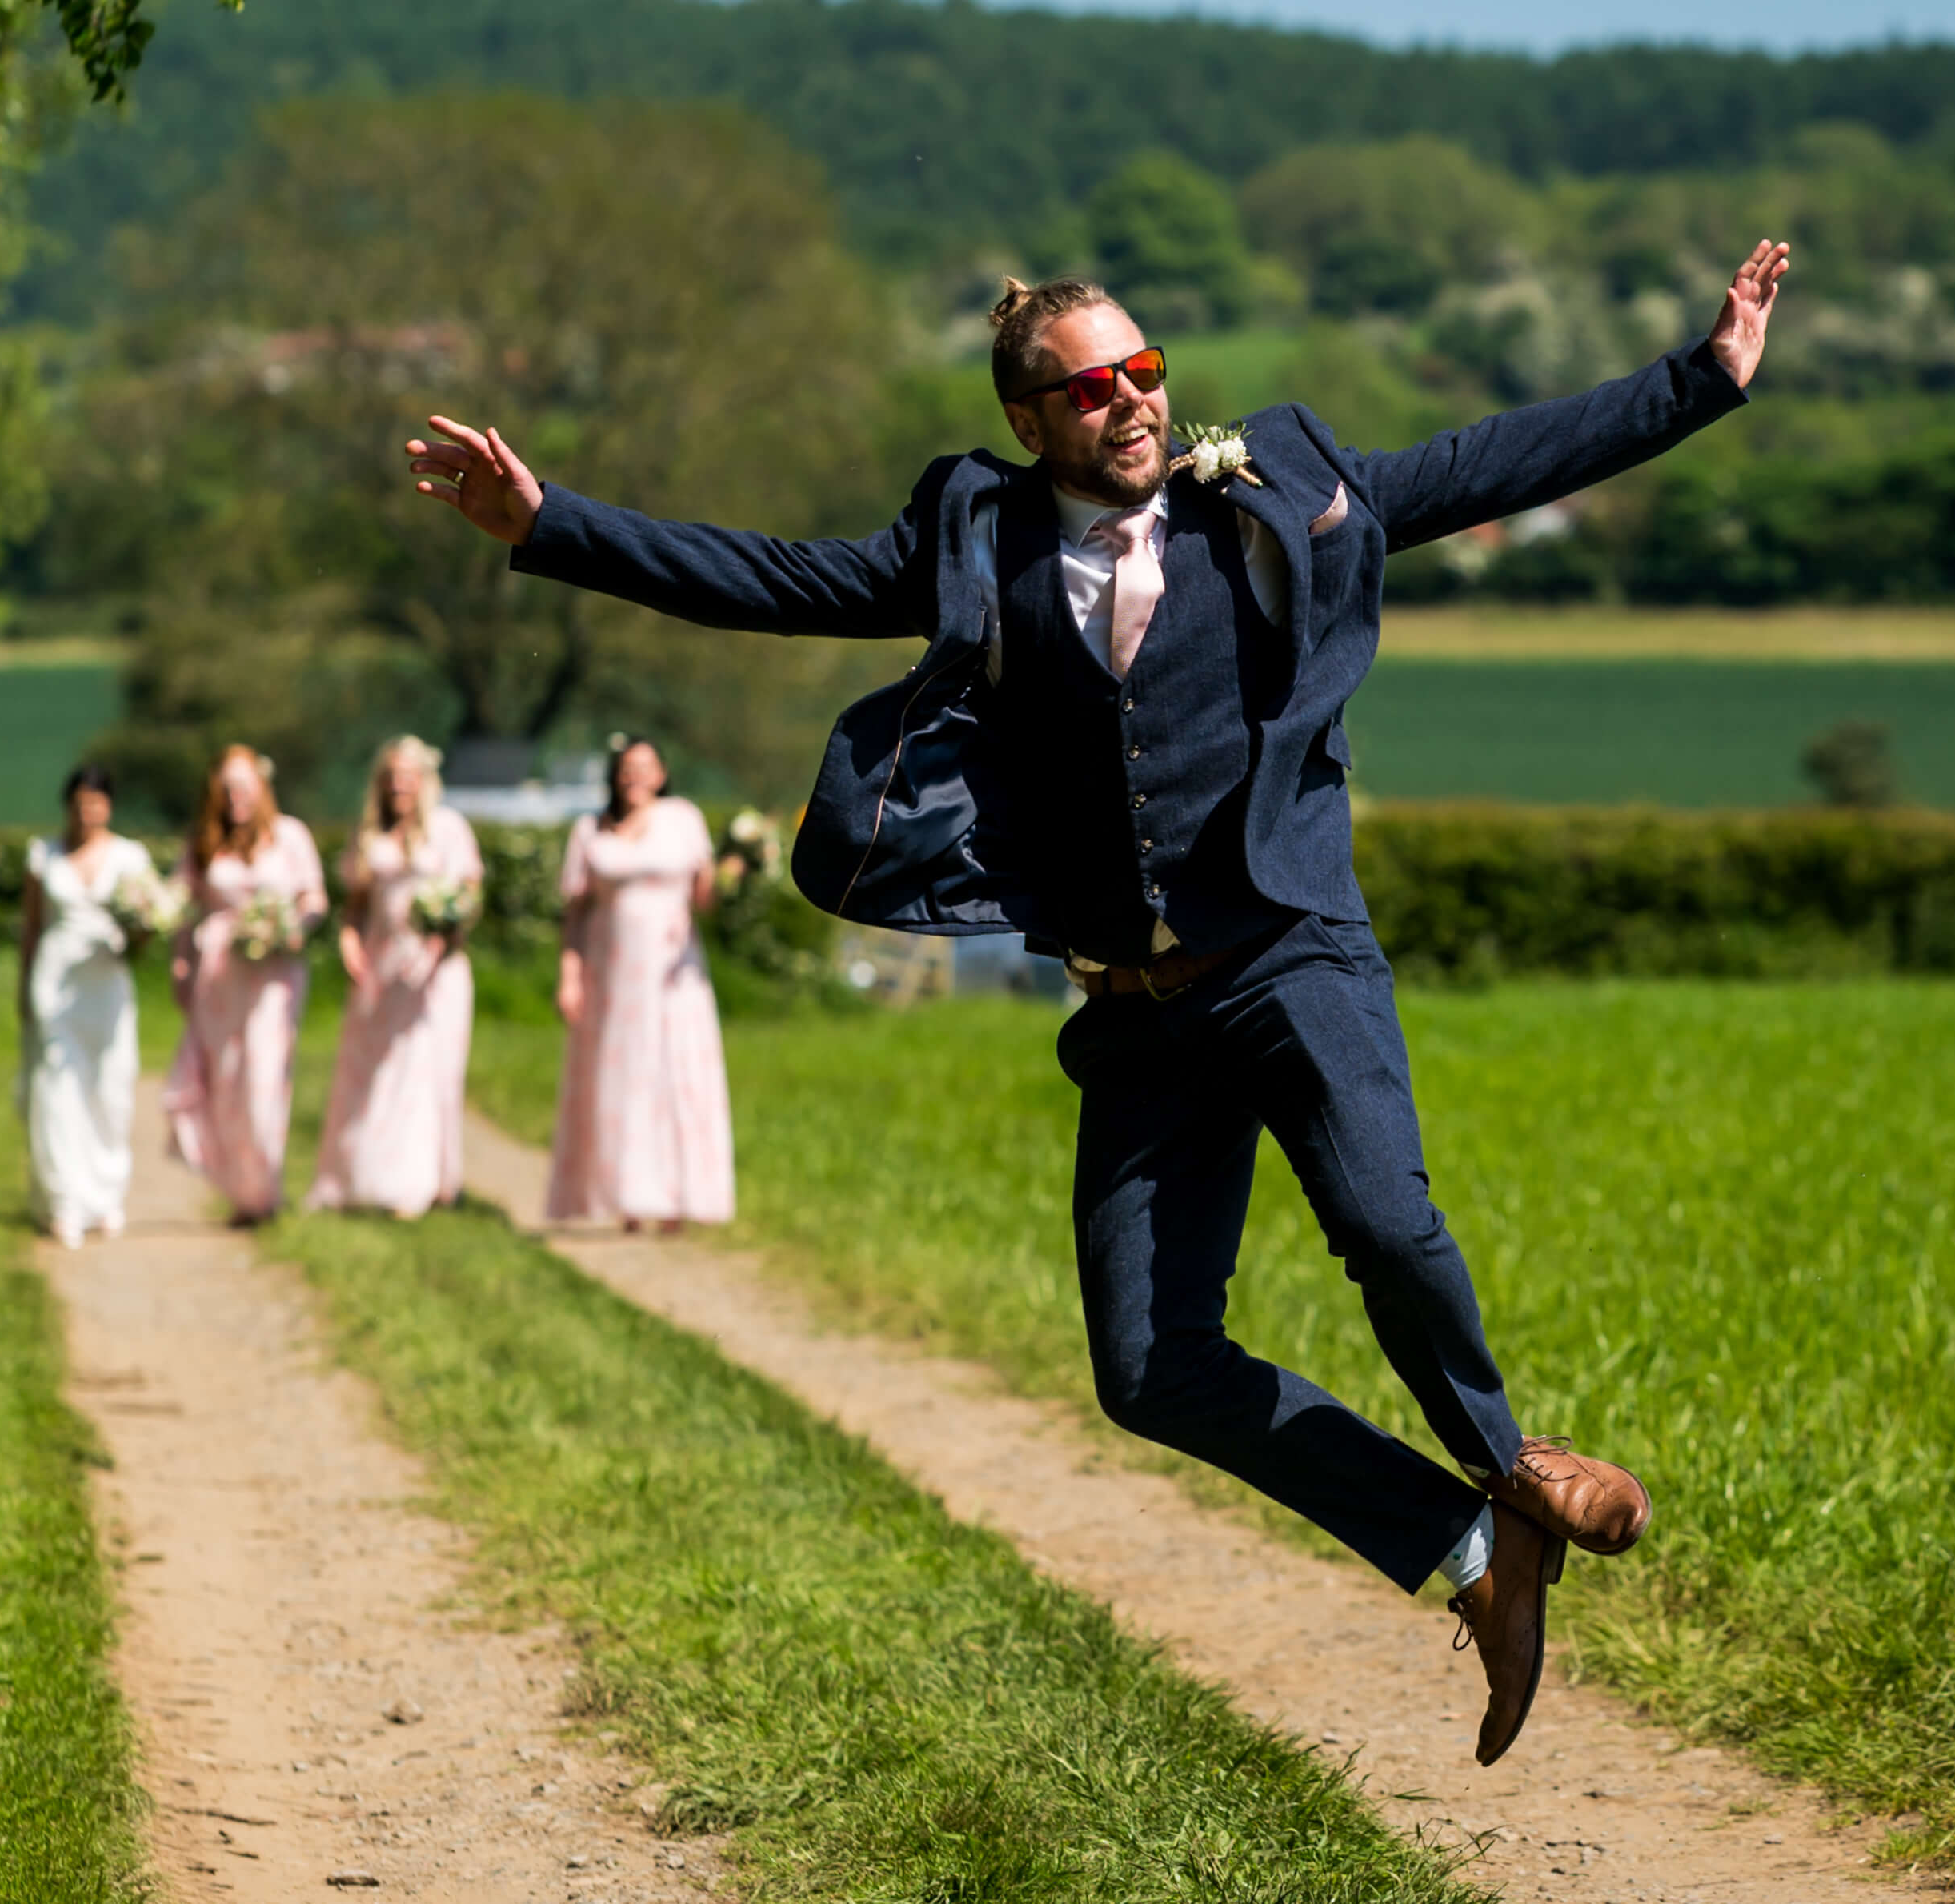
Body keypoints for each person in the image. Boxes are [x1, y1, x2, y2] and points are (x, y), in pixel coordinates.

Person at [406, 240, 1793, 1764]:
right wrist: (551, 524)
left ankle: (1515, 1462)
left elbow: (1492, 460)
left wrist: (1701, 377)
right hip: (1135, 1008)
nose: (1134, 402)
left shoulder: (1272, 481)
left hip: (1289, 949)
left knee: (1386, 1223)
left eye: (1147, 373)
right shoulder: (971, 539)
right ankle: (1473, 1550)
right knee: (1147, 1366)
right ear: (1029, 417)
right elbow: (777, 581)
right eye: (1094, 385)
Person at [545, 735, 735, 1233]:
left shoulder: (683, 819)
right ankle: (628, 1196)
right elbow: (575, 914)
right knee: (621, 1079)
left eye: (645, 767)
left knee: (673, 1073)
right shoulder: (590, 829)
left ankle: (677, 1197)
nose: (635, 776)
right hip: (611, 975)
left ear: (661, 773)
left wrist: (733, 867)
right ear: (614, 774)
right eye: (627, 767)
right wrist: (569, 977)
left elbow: (704, 898)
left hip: (674, 973)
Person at [308, 736, 485, 1218]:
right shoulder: (370, 835)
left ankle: (427, 1183)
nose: (399, 786)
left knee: (431, 1071)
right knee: (376, 1073)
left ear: (425, 780)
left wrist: (440, 939)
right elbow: (356, 907)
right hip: (383, 967)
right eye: (391, 777)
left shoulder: (449, 828)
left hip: (437, 971)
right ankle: (368, 1173)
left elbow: (469, 896)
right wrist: (349, 945)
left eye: (408, 776)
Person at [161, 744, 327, 1225]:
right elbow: (181, 903)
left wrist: (295, 926)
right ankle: (242, 1193)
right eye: (227, 788)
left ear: (261, 788)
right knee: (228, 1081)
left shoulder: (290, 835)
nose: (236, 797)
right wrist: (179, 964)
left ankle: (265, 1188)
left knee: (265, 1076)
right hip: (218, 978)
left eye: (244, 787)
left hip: (274, 976)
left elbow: (313, 896)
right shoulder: (204, 840)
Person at [17, 764, 152, 1247]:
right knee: (58, 1088)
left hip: (107, 984)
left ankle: (106, 1194)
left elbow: (145, 929)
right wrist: (22, 992)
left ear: (108, 806)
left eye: (96, 802)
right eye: (80, 803)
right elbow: (31, 928)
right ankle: (64, 1200)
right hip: (55, 982)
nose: (87, 812)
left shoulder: (131, 858)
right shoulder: (44, 855)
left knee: (111, 1088)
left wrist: (141, 931)